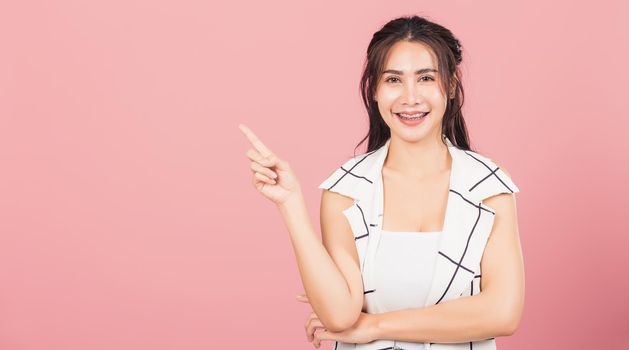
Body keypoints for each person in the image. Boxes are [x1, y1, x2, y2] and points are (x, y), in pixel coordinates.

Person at [239, 15, 524, 350]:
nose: (410, 97)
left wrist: (373, 325)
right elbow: (340, 316)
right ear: (374, 88)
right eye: (393, 80)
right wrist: (290, 205)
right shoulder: (347, 190)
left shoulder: (488, 186)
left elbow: (503, 313)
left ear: (450, 84)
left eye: (426, 78)